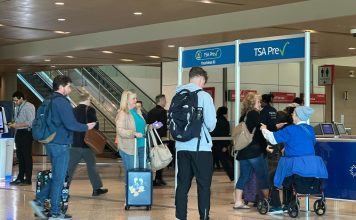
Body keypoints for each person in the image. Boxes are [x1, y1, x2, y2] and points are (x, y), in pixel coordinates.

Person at [30, 75, 96, 220]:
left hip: (51, 143)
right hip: (60, 144)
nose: (70, 89)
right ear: (61, 87)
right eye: (69, 86)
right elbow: (70, 124)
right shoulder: (62, 102)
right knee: (59, 178)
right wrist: (86, 126)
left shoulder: (49, 99)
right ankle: (51, 210)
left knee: (57, 177)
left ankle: (45, 204)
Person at [260, 106, 328, 207]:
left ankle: (275, 205)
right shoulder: (310, 129)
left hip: (294, 166)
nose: (292, 115)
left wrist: (264, 129)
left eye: (293, 113)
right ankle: (288, 203)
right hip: (311, 168)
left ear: (296, 116)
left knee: (272, 177)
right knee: (290, 178)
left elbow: (273, 138)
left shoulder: (291, 129)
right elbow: (310, 144)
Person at [175, 67, 217, 220]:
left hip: (181, 147)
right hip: (201, 148)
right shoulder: (204, 96)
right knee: (204, 186)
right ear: (200, 79)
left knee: (182, 185)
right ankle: (204, 217)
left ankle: (180, 217)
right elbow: (211, 124)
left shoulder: (178, 94)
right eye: (203, 83)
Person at [67, 92, 108, 196]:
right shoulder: (90, 110)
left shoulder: (73, 110)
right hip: (87, 144)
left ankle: (63, 188)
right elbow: (95, 127)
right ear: (87, 99)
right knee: (92, 167)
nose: (91, 101)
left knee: (70, 168)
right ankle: (97, 188)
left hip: (75, 144)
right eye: (90, 99)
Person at [233, 92, 269, 210]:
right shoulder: (254, 114)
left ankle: (238, 201)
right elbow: (259, 134)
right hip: (255, 152)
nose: (260, 104)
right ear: (253, 103)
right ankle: (269, 201)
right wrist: (265, 147)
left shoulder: (243, 115)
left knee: (244, 176)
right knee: (263, 176)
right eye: (259, 102)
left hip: (243, 151)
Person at [8, 91, 35, 186]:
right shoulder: (18, 107)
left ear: (21, 98)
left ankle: (28, 179)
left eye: (16, 100)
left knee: (26, 157)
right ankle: (20, 178)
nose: (15, 102)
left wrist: (17, 125)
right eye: (14, 101)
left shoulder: (29, 106)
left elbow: (30, 122)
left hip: (26, 133)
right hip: (19, 133)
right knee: (20, 157)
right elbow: (18, 119)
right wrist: (12, 124)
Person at [116, 90, 146, 171]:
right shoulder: (123, 113)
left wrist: (150, 127)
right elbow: (120, 130)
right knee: (132, 177)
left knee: (141, 175)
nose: (136, 100)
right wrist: (134, 133)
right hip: (129, 148)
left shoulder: (137, 111)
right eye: (133, 98)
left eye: (136, 98)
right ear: (126, 100)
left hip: (142, 146)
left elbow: (141, 127)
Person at [145, 94, 168, 186]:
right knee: (161, 157)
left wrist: (153, 128)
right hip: (159, 138)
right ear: (161, 100)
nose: (166, 102)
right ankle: (158, 178)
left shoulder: (150, 111)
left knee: (153, 158)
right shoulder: (162, 111)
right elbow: (161, 125)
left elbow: (148, 124)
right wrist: (163, 137)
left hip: (151, 137)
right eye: (165, 100)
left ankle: (155, 178)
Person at [210, 106, 234, 181]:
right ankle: (232, 176)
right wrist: (226, 145)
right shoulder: (224, 122)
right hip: (221, 145)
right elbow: (225, 134)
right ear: (224, 113)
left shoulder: (214, 120)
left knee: (211, 163)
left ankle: (206, 178)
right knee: (226, 162)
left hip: (213, 144)